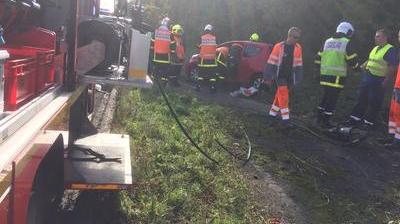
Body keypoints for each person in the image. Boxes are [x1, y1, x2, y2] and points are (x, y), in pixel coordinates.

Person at [345, 29, 398, 129]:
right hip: (367, 77)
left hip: (379, 80)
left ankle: (368, 123)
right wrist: (361, 67)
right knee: (361, 98)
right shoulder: (375, 48)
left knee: (374, 101)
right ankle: (354, 118)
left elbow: (392, 67)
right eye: (375, 36)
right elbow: (370, 60)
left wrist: (386, 80)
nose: (375, 38)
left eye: (378, 36)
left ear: (385, 37)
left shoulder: (390, 49)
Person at [315, 22, 359, 128]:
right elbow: (351, 60)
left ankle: (318, 118)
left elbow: (318, 58)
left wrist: (317, 72)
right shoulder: (346, 42)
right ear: (347, 31)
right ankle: (326, 122)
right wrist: (358, 69)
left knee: (326, 96)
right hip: (337, 77)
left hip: (324, 75)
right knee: (332, 99)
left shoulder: (327, 41)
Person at [264, 27, 303, 122]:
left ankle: (271, 115)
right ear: (289, 36)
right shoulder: (279, 46)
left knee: (280, 95)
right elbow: (271, 62)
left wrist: (298, 78)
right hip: (279, 75)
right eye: (295, 37)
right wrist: (267, 77)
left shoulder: (298, 48)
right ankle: (286, 118)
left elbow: (299, 64)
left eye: (298, 37)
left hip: (290, 76)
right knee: (284, 95)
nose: (296, 39)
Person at [387, 30, 400, 148]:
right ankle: (391, 136)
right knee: (393, 112)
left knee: (398, 114)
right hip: (397, 86)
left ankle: (397, 140)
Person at [151, 17, 175, 83]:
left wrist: (152, 50)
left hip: (156, 56)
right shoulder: (170, 33)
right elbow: (173, 44)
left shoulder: (156, 31)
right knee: (165, 70)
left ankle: (153, 82)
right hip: (166, 56)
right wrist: (172, 53)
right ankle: (164, 83)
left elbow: (152, 42)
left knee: (156, 69)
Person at [196, 24, 218, 92]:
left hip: (203, 60)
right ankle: (212, 88)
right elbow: (217, 47)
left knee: (201, 75)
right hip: (212, 60)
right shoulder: (214, 38)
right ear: (211, 31)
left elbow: (198, 46)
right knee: (212, 76)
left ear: (205, 30)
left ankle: (198, 87)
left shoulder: (202, 37)